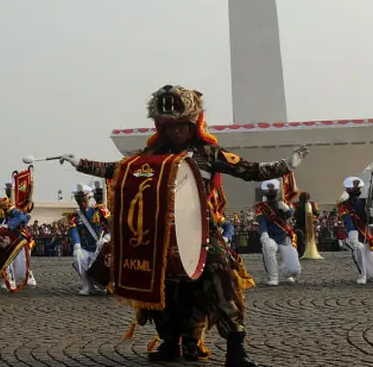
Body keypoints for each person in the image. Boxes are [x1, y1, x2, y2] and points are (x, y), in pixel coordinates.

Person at [60, 84, 308, 366]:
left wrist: (285, 166)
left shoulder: (208, 152)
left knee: (219, 277)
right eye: (170, 126)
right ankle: (170, 340)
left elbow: (248, 169)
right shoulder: (151, 153)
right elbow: (120, 169)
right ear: (161, 126)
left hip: (203, 231)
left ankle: (236, 348)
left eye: (182, 126)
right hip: (164, 235)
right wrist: (81, 163)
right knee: (163, 287)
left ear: (193, 124)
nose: (177, 131)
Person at [254, 179, 300, 286]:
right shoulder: (260, 206)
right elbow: (261, 220)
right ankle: (273, 277)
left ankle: (287, 273)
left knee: (294, 270)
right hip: (270, 235)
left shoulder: (284, 203)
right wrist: (264, 232)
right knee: (268, 248)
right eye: (269, 189)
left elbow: (290, 214)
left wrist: (286, 209)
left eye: (272, 189)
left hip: (284, 235)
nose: (271, 192)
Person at [337, 177, 373, 285]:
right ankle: (362, 275)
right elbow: (348, 221)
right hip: (352, 235)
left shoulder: (364, 202)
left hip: (365, 235)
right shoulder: (343, 205)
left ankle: (368, 274)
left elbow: (369, 220)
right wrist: (353, 237)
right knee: (358, 247)